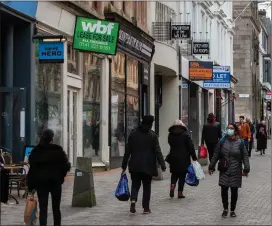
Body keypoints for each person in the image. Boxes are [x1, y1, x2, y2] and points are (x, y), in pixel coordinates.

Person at [122, 115, 166, 214]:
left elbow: (128, 151)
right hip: (148, 165)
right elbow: (157, 151)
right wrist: (162, 164)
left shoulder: (133, 134)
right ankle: (146, 208)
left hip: (135, 165)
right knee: (147, 186)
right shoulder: (153, 135)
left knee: (135, 184)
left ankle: (133, 199)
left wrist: (124, 164)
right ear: (151, 124)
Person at [27, 129, 71, 226]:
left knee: (43, 209)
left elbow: (32, 168)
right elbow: (66, 166)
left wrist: (31, 186)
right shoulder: (58, 150)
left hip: (41, 184)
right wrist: (60, 176)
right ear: (52, 138)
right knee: (56, 208)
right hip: (55, 183)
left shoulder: (36, 151)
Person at [208, 123, 250, 218]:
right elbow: (216, 155)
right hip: (224, 169)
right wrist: (211, 166)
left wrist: (246, 168)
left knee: (234, 191)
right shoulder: (222, 141)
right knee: (224, 190)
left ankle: (232, 210)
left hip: (236, 170)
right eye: (228, 128)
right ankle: (225, 209)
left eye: (231, 128)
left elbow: (245, 156)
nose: (229, 130)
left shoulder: (240, 142)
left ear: (235, 131)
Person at [167, 120, 197, 199]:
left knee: (174, 174)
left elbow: (170, 143)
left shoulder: (170, 135)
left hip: (173, 157)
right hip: (184, 158)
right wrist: (194, 156)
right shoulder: (186, 134)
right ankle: (180, 193)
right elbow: (191, 146)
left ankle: (172, 187)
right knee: (182, 176)